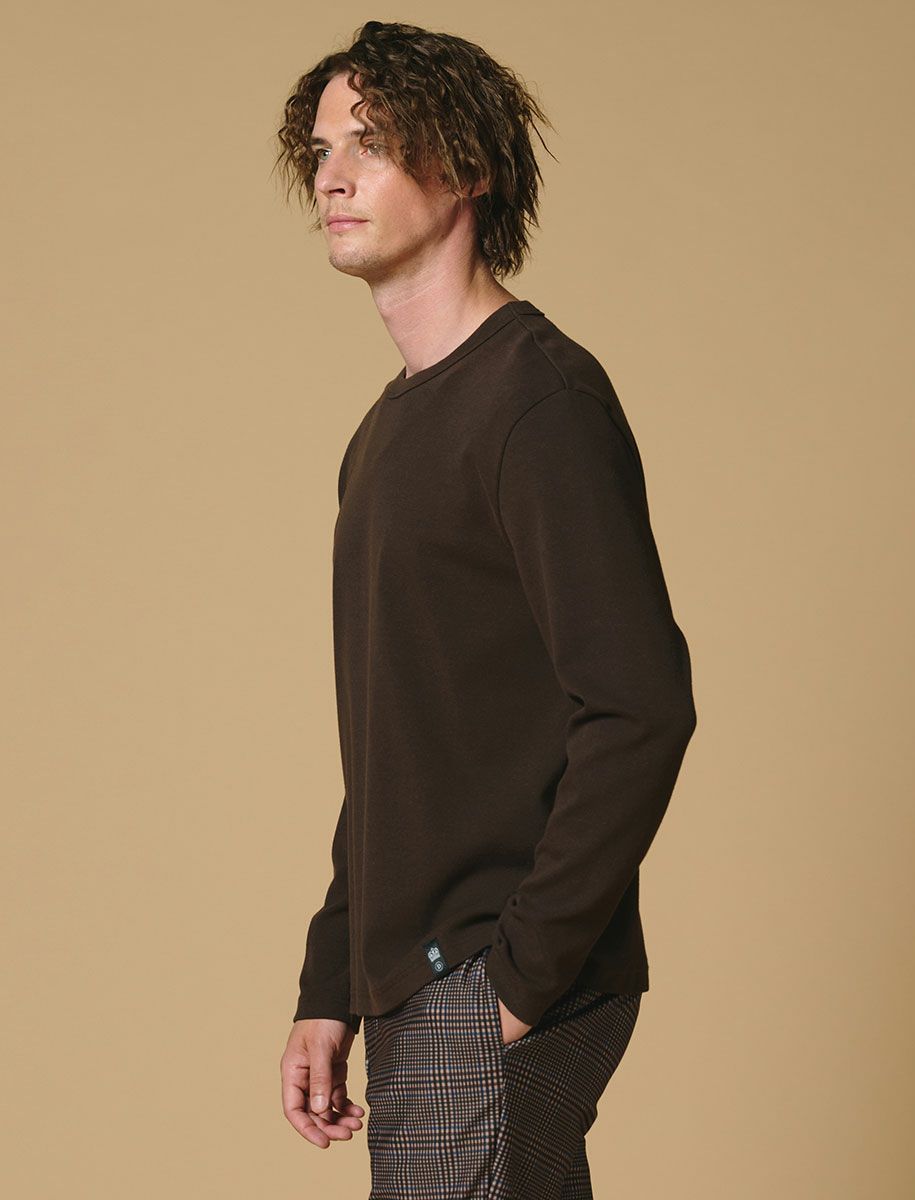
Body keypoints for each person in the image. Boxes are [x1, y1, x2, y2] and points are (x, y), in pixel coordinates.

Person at [274, 20, 697, 1198]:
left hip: (486, 972)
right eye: (319, 151)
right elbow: (398, 745)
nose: (332, 177)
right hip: (419, 975)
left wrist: (516, 983)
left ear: (464, 166)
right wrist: (330, 981)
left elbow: (640, 707)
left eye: (371, 143)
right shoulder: (386, 434)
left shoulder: (536, 402)